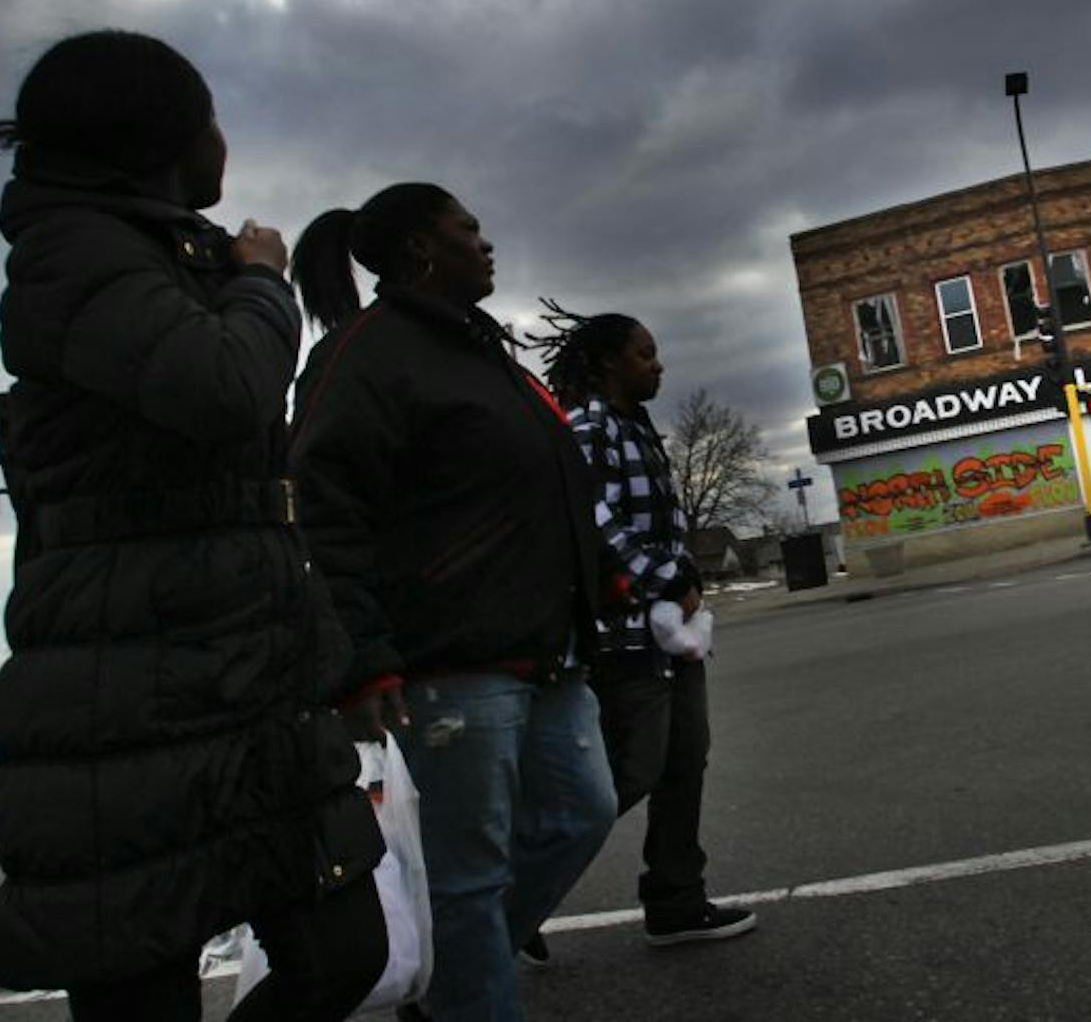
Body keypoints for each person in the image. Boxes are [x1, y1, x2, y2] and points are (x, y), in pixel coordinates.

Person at [0, 30, 386, 1022]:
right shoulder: (71, 253)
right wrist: (262, 280)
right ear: (161, 135)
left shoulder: (155, 252)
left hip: (248, 673)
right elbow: (225, 390)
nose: (224, 142)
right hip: (126, 694)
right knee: (142, 994)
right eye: (211, 118)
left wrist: (330, 659)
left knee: (343, 953)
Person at [288, 186, 617, 1022]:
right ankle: (467, 988)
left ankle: (448, 979)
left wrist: (600, 577)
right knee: (467, 876)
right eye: (467, 228)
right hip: (450, 661)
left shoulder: (481, 348)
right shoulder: (368, 355)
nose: (485, 240)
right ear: (420, 250)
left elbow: (536, 482)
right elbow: (325, 511)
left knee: (582, 812)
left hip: (546, 645)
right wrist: (361, 656)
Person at [532, 307, 757, 951]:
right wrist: (664, 575)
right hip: (621, 635)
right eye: (645, 353)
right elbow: (590, 517)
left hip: (669, 633)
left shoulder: (638, 427)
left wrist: (683, 571)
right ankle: (511, 897)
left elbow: (658, 523)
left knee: (687, 759)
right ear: (608, 362)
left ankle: (676, 901)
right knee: (626, 775)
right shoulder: (588, 426)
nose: (657, 365)